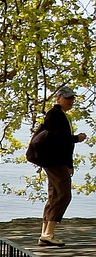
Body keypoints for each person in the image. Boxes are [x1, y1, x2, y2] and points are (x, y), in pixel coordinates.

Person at [36, 86, 87, 247]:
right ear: (58, 98)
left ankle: (45, 234)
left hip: (57, 161)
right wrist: (76, 138)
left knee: (54, 194)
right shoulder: (54, 114)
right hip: (53, 161)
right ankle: (48, 234)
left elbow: (63, 145)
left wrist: (69, 165)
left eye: (72, 98)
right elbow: (58, 139)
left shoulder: (61, 115)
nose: (70, 101)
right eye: (67, 98)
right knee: (64, 195)